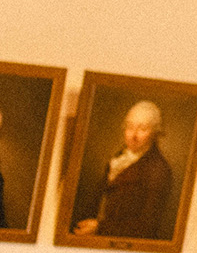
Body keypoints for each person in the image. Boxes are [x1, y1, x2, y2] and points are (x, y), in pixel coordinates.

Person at [73, 99, 173, 240]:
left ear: (155, 133)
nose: (133, 135)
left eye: (142, 129)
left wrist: (99, 228)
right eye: (130, 127)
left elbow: (147, 227)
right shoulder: (118, 158)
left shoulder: (158, 169)